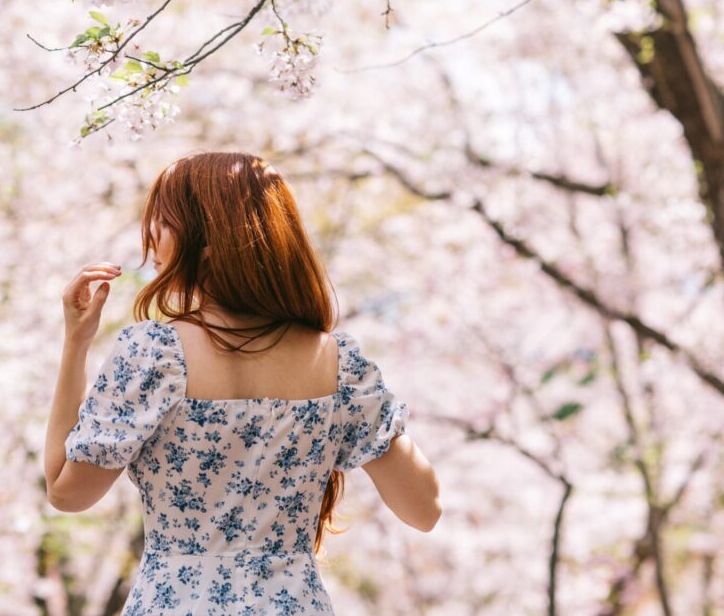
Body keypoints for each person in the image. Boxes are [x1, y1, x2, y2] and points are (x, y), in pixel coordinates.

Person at [44, 151, 442, 615]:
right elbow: (424, 509)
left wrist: (75, 345)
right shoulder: (337, 364)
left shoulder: (153, 353)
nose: (149, 237)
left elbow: (66, 491)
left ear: (208, 242)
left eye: (163, 222)